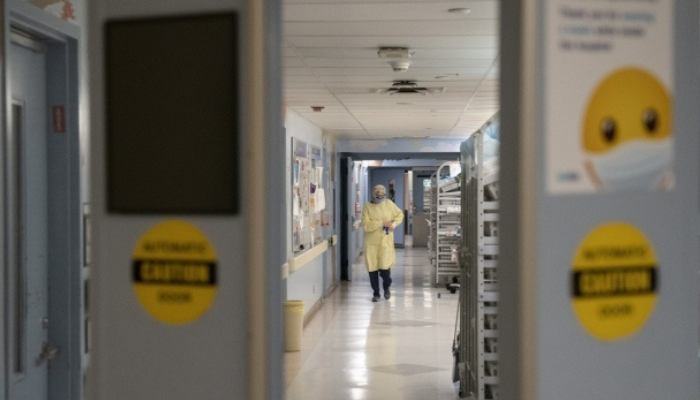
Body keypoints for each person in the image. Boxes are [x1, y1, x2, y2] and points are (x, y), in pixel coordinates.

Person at [361, 184, 404, 302]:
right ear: (374, 196)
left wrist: (393, 225)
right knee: (372, 269)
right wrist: (381, 223)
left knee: (385, 269)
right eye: (378, 196)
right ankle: (376, 293)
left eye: (382, 196)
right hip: (371, 243)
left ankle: (386, 287)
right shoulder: (367, 207)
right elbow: (366, 225)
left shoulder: (389, 204)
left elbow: (399, 215)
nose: (380, 198)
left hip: (385, 241)